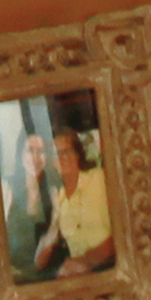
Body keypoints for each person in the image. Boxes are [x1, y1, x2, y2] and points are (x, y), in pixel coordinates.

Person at [33, 106, 116, 276]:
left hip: (111, 266)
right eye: (57, 154)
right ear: (52, 162)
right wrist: (52, 232)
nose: (63, 158)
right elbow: (39, 263)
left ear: (78, 153)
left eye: (67, 151)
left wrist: (85, 261)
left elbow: (123, 232)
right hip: (81, 275)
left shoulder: (98, 178)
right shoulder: (59, 199)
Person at [3, 128, 55, 273]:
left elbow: (53, 235)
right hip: (11, 272)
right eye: (29, 151)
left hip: (44, 272)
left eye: (41, 151)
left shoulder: (54, 191)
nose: (35, 158)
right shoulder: (6, 188)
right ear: (20, 154)